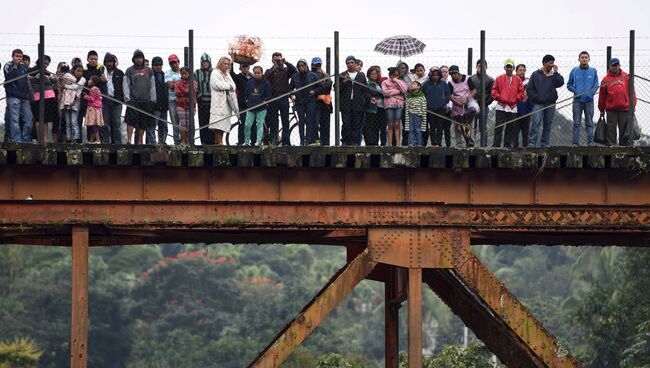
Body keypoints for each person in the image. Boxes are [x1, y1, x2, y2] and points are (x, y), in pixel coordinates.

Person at [527, 54, 564, 148]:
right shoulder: (536, 74)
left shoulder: (554, 75)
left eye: (553, 63)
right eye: (550, 63)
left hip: (550, 104)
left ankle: (545, 143)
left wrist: (556, 72)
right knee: (536, 123)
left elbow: (560, 83)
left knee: (548, 125)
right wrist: (537, 98)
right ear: (544, 63)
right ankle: (532, 143)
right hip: (538, 104)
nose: (552, 65)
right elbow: (530, 89)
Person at [598, 57, 636, 146]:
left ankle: (623, 146)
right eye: (613, 65)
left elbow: (632, 91)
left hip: (625, 107)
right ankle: (611, 146)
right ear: (609, 67)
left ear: (619, 65)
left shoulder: (626, 76)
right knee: (611, 129)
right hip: (611, 109)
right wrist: (601, 109)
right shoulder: (605, 80)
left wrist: (633, 104)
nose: (615, 67)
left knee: (623, 129)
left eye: (616, 65)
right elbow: (602, 96)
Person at [123, 49, 156, 145]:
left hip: (146, 100)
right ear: (133, 59)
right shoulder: (129, 70)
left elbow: (153, 85)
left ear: (143, 59)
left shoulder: (149, 71)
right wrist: (127, 99)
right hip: (133, 100)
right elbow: (126, 85)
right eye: (136, 58)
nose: (138, 60)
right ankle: (129, 140)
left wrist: (153, 99)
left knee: (143, 122)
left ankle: (139, 141)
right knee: (130, 121)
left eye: (140, 57)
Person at [264, 52, 297, 146]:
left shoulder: (286, 70)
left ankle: (286, 142)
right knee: (273, 121)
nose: (278, 62)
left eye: (279, 60)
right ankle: (273, 141)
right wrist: (273, 68)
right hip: (273, 99)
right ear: (272, 60)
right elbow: (265, 80)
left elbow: (295, 72)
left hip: (283, 98)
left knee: (285, 121)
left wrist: (286, 62)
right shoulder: (268, 71)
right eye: (276, 60)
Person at [567, 51, 599, 146]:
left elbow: (596, 84)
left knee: (589, 123)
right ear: (579, 59)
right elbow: (569, 85)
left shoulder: (593, 71)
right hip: (577, 101)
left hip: (589, 101)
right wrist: (576, 91)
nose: (584, 59)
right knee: (577, 123)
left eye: (586, 57)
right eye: (582, 57)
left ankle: (590, 143)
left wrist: (591, 94)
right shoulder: (574, 71)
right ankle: (575, 143)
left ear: (589, 59)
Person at [491, 58, 524, 148]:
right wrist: (501, 98)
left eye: (510, 67)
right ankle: (496, 145)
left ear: (513, 68)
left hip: (513, 107)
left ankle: (507, 145)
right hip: (501, 106)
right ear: (504, 67)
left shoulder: (518, 80)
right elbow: (494, 92)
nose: (509, 68)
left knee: (510, 127)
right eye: (507, 66)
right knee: (499, 126)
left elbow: (521, 93)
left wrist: (515, 99)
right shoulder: (498, 79)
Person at [3, 49, 34, 143]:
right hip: (13, 96)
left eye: (20, 57)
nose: (18, 58)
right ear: (12, 56)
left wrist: (29, 93)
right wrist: (15, 67)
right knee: (14, 120)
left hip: (24, 97)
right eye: (17, 56)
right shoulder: (8, 65)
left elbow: (26, 81)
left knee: (29, 118)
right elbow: (9, 78)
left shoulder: (24, 67)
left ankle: (26, 139)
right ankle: (16, 140)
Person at [339, 55, 369, 145]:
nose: (350, 64)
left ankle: (355, 142)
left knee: (356, 124)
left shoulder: (361, 76)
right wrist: (343, 82)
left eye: (352, 62)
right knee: (346, 123)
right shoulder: (342, 75)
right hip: (346, 104)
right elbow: (336, 88)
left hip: (358, 104)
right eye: (348, 63)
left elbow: (365, 90)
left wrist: (369, 99)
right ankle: (345, 141)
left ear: (355, 63)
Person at [28, 55, 58, 143]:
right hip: (37, 97)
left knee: (46, 119)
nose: (45, 65)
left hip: (49, 97)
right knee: (38, 118)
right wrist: (49, 79)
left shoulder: (46, 72)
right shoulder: (32, 71)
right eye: (44, 63)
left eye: (47, 64)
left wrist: (49, 79)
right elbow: (45, 79)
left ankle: (44, 138)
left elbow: (54, 80)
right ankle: (40, 138)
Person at [289, 59, 320, 145]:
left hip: (311, 102)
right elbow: (290, 88)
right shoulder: (295, 77)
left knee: (310, 121)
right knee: (301, 122)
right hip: (299, 102)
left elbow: (321, 86)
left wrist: (314, 91)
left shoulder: (313, 75)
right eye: (299, 66)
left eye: (303, 65)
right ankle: (302, 140)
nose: (301, 67)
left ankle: (309, 140)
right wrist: (292, 95)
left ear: (306, 66)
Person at [209, 56, 238, 145]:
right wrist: (228, 86)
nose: (226, 66)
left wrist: (229, 86)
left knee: (224, 123)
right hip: (218, 102)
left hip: (227, 103)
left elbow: (233, 85)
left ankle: (220, 141)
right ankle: (219, 142)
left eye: (228, 64)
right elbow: (217, 85)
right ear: (220, 63)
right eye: (224, 63)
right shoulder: (215, 72)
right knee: (218, 124)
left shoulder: (227, 74)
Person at [422, 66, 451, 147]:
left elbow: (448, 95)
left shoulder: (444, 84)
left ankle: (438, 143)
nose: (435, 77)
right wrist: (426, 105)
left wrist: (444, 102)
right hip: (430, 109)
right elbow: (423, 95)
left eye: (437, 75)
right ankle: (433, 143)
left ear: (440, 76)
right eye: (434, 75)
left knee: (440, 127)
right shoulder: (426, 85)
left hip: (441, 109)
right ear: (431, 75)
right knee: (432, 127)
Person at [448, 65, 476, 148]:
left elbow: (474, 90)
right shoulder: (450, 83)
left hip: (468, 104)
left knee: (469, 124)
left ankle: (470, 142)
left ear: (458, 72)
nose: (453, 75)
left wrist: (467, 99)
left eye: (455, 73)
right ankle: (459, 143)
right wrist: (457, 102)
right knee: (458, 126)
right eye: (451, 74)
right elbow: (449, 96)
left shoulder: (468, 79)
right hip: (457, 106)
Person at [82, 50, 107, 142]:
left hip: (96, 103)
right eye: (92, 59)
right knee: (90, 123)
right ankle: (91, 140)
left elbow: (103, 84)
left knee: (96, 123)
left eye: (95, 59)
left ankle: (99, 139)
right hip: (88, 103)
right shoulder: (84, 70)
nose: (93, 60)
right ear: (88, 59)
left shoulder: (101, 69)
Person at [244, 66, 272, 146]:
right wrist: (247, 101)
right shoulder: (250, 82)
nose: (257, 74)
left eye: (258, 73)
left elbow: (269, 94)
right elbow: (246, 93)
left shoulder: (266, 83)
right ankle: (246, 142)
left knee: (259, 124)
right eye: (255, 73)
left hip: (262, 108)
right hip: (251, 107)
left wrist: (265, 101)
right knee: (247, 125)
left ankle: (258, 141)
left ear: (262, 73)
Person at [470, 59, 494, 147]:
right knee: (472, 126)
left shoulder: (490, 80)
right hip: (472, 106)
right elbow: (468, 91)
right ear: (476, 67)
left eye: (483, 66)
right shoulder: (471, 78)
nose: (481, 68)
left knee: (483, 127)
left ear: (486, 67)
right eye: (479, 66)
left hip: (484, 106)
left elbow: (493, 94)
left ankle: (484, 145)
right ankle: (471, 144)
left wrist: (486, 102)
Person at [382, 67, 408, 146]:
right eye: (394, 75)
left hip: (399, 104)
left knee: (397, 124)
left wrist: (397, 81)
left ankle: (397, 143)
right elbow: (385, 93)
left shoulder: (401, 82)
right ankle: (389, 143)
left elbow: (404, 90)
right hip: (389, 104)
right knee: (390, 124)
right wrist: (397, 91)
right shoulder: (385, 82)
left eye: (397, 75)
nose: (395, 76)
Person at [60, 64, 86, 143]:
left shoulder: (83, 79)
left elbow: (75, 87)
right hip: (67, 101)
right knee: (68, 122)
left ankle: (76, 138)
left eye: (81, 71)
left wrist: (65, 86)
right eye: (78, 71)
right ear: (73, 71)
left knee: (74, 121)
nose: (79, 73)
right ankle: (68, 138)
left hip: (76, 102)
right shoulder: (70, 78)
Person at [102, 52, 124, 144]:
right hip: (104, 101)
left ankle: (117, 144)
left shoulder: (119, 73)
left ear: (114, 62)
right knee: (105, 124)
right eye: (107, 61)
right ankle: (106, 143)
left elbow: (123, 87)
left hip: (116, 101)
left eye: (111, 61)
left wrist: (121, 99)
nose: (109, 63)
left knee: (116, 123)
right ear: (105, 62)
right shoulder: (101, 72)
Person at [311, 57, 332, 146]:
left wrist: (317, 91)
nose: (317, 66)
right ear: (312, 65)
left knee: (325, 124)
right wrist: (318, 92)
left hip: (325, 103)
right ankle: (316, 141)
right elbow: (311, 88)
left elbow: (329, 86)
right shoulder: (310, 75)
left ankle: (326, 143)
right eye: (316, 65)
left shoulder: (326, 75)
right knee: (315, 123)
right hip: (315, 103)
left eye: (319, 64)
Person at [174, 67, 198, 145]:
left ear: (189, 74)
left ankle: (189, 141)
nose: (183, 75)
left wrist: (182, 90)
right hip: (180, 105)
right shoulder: (178, 82)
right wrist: (186, 92)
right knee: (182, 123)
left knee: (190, 123)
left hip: (191, 105)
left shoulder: (193, 82)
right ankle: (183, 141)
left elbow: (191, 91)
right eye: (182, 74)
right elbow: (177, 92)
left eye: (185, 73)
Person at [195, 53, 214, 145]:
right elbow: (194, 86)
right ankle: (204, 142)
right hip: (202, 102)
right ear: (201, 63)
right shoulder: (197, 72)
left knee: (212, 122)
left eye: (207, 62)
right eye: (204, 62)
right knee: (203, 123)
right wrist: (199, 96)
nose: (205, 63)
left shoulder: (214, 72)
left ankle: (212, 142)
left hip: (213, 102)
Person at [364, 65, 385, 146]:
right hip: (372, 109)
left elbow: (383, 93)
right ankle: (371, 143)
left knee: (378, 127)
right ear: (369, 75)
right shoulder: (368, 83)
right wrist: (380, 94)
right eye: (372, 74)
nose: (374, 75)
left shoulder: (379, 83)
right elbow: (373, 93)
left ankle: (377, 143)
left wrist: (380, 94)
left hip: (381, 108)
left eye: (375, 74)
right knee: (371, 127)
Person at [232, 63, 253, 145]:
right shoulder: (238, 77)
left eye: (246, 67)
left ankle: (253, 141)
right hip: (242, 103)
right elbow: (231, 74)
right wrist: (232, 62)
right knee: (242, 123)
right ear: (240, 69)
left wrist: (252, 74)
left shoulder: (253, 78)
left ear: (249, 67)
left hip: (252, 103)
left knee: (253, 123)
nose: (245, 69)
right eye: (243, 67)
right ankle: (241, 141)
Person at [512, 64, 532, 148]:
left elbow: (532, 91)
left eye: (524, 70)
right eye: (520, 70)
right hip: (515, 109)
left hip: (527, 109)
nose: (522, 72)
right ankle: (514, 148)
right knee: (515, 131)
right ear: (516, 71)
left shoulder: (529, 81)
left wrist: (527, 95)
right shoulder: (512, 80)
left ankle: (526, 148)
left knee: (525, 131)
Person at [165, 54, 182, 144]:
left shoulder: (184, 71)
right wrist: (182, 84)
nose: (174, 65)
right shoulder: (168, 73)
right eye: (171, 63)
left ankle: (185, 140)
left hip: (184, 100)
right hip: (173, 99)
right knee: (175, 121)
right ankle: (176, 140)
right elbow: (170, 85)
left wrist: (176, 83)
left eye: (175, 62)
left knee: (184, 120)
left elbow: (191, 84)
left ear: (178, 62)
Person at [151, 56, 169, 144]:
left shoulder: (164, 75)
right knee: (153, 125)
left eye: (160, 65)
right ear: (152, 65)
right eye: (156, 65)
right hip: (154, 106)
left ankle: (162, 143)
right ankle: (153, 143)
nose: (158, 67)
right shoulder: (150, 75)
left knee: (163, 126)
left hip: (164, 105)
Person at [405, 81, 427, 146]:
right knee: (411, 130)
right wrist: (407, 118)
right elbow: (407, 109)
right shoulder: (409, 96)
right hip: (411, 116)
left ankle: (419, 143)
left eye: (414, 84)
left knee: (418, 130)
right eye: (411, 84)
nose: (412, 85)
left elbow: (424, 108)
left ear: (419, 87)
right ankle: (410, 143)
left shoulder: (422, 96)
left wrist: (424, 119)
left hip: (418, 116)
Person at [83, 75, 104, 144]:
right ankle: (91, 141)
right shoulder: (97, 89)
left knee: (93, 125)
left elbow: (92, 99)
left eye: (90, 79)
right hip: (97, 108)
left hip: (93, 108)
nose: (88, 81)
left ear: (93, 82)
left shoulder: (93, 89)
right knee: (93, 125)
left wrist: (85, 96)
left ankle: (98, 140)